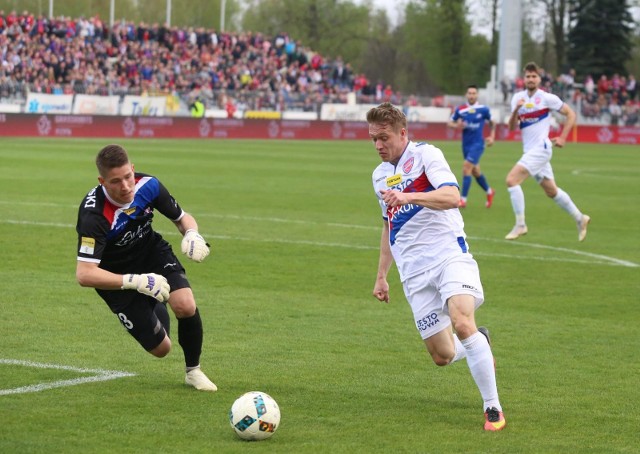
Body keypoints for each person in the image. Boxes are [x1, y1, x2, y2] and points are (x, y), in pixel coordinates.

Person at [367, 102, 506, 431]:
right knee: (442, 355)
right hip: (413, 272)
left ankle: (493, 409)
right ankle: (480, 342)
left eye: (383, 137)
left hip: (447, 255)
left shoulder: (427, 155)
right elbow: (388, 227)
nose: (378, 145)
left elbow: (450, 197)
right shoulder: (379, 176)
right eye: (373, 139)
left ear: (402, 133)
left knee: (461, 321)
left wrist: (409, 197)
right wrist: (382, 276)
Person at [75, 144, 217, 391]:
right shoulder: (94, 216)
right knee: (162, 349)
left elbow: (182, 217)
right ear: (102, 181)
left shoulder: (148, 185)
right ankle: (151, 298)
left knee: (185, 304)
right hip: (115, 276)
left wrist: (192, 233)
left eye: (128, 177)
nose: (126, 187)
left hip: (151, 252)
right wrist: (136, 282)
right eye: (116, 181)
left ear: (133, 168)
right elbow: (85, 274)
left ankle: (193, 371)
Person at [505, 62, 590, 241]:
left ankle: (520, 225)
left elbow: (571, 114)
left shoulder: (546, 98)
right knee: (552, 191)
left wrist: (563, 137)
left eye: (534, 76)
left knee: (512, 180)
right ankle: (580, 218)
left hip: (541, 150)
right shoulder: (517, 98)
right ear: (524, 79)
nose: (531, 79)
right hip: (530, 151)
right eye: (528, 76)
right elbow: (512, 127)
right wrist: (515, 110)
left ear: (539, 78)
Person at [447, 84, 496, 208]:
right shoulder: (461, 109)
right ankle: (490, 192)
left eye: (474, 93)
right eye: (470, 93)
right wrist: (457, 125)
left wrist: (492, 136)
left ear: (477, 95)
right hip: (466, 145)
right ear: (466, 95)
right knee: (475, 171)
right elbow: (450, 123)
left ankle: (462, 199)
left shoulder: (483, 109)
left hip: (478, 143)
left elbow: (492, 122)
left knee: (466, 167)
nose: (472, 95)